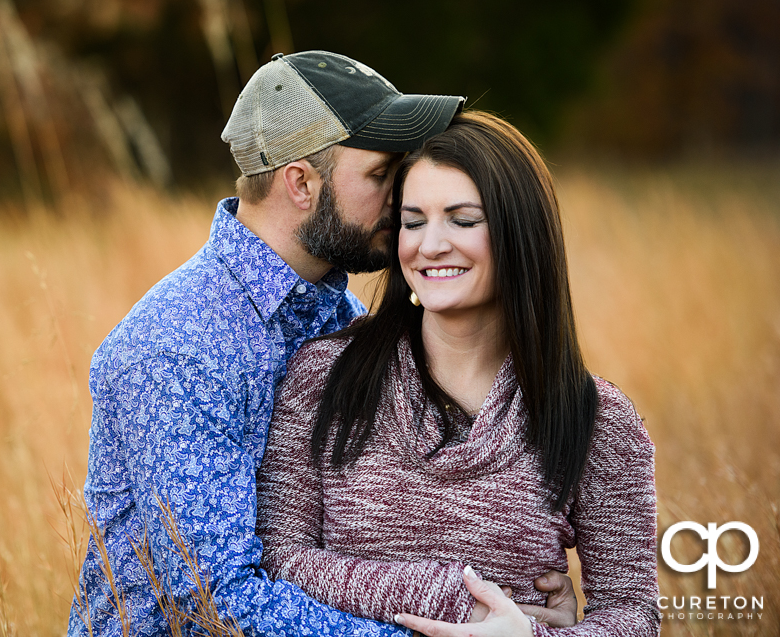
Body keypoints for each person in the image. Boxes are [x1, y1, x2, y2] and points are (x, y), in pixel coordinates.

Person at [68, 51, 574, 637]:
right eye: (382, 176)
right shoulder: (178, 346)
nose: (403, 201)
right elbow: (211, 601)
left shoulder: (343, 316)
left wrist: (518, 601)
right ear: (302, 183)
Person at [256, 111, 660, 637]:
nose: (430, 245)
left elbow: (633, 613)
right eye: (413, 220)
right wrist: (450, 599)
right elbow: (279, 560)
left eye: (462, 220)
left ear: (519, 233)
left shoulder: (596, 418)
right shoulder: (324, 377)